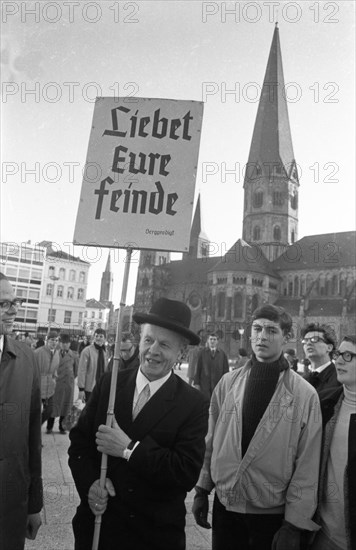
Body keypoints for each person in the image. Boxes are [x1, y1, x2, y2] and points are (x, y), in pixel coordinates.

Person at [68, 297, 209, 550]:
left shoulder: (193, 403)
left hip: (152, 535)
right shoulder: (110, 383)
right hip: (100, 529)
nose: (153, 350)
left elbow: (184, 472)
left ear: (182, 352)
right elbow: (79, 444)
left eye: (164, 344)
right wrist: (90, 484)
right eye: (148, 340)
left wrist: (128, 448)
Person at [193, 304, 322, 550]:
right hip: (226, 505)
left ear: (286, 337)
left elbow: (308, 463)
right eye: (257, 329)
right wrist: (202, 488)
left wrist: (294, 524)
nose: (262, 336)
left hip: (269, 514)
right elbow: (212, 441)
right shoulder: (228, 383)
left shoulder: (305, 395)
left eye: (271, 330)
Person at [0, 272, 43, 550]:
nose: (14, 309)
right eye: (4, 304)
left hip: (10, 507)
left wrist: (34, 504)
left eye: (15, 301)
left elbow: (32, 437)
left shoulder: (26, 357)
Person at [310, 335, 356, 550]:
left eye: (348, 355)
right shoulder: (326, 403)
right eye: (338, 354)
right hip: (325, 534)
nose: (338, 361)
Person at [47, 333, 78, 434]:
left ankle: (62, 427)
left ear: (70, 344)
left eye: (67, 343)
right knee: (53, 406)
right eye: (63, 343)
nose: (64, 345)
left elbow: (76, 370)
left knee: (65, 406)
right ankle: (49, 426)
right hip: (56, 384)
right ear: (59, 343)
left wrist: (70, 378)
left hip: (68, 384)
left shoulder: (74, 355)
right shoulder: (54, 353)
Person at [301, 322, 340, 392]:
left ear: (329, 347)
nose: (308, 343)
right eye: (305, 341)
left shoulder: (339, 378)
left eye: (315, 339)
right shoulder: (301, 380)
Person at [35, 330, 60, 432]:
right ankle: (34, 432)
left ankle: (35, 427)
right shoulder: (38, 352)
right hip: (38, 387)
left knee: (49, 410)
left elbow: (55, 369)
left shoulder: (57, 353)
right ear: (47, 340)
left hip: (50, 388)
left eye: (56, 340)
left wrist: (54, 378)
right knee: (35, 412)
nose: (54, 342)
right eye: (52, 340)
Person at [194, 333, 229, 399]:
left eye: (214, 339)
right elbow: (198, 368)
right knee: (205, 404)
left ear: (217, 341)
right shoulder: (202, 353)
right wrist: (197, 383)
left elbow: (226, 370)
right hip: (204, 384)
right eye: (211, 339)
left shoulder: (222, 354)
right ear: (208, 340)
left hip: (218, 384)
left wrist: (226, 383)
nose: (212, 341)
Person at [77, 328, 108, 403]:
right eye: (96, 336)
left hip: (101, 387)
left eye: (101, 336)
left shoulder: (105, 352)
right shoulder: (87, 351)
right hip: (89, 389)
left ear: (104, 339)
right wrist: (81, 389)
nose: (98, 338)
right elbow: (82, 370)